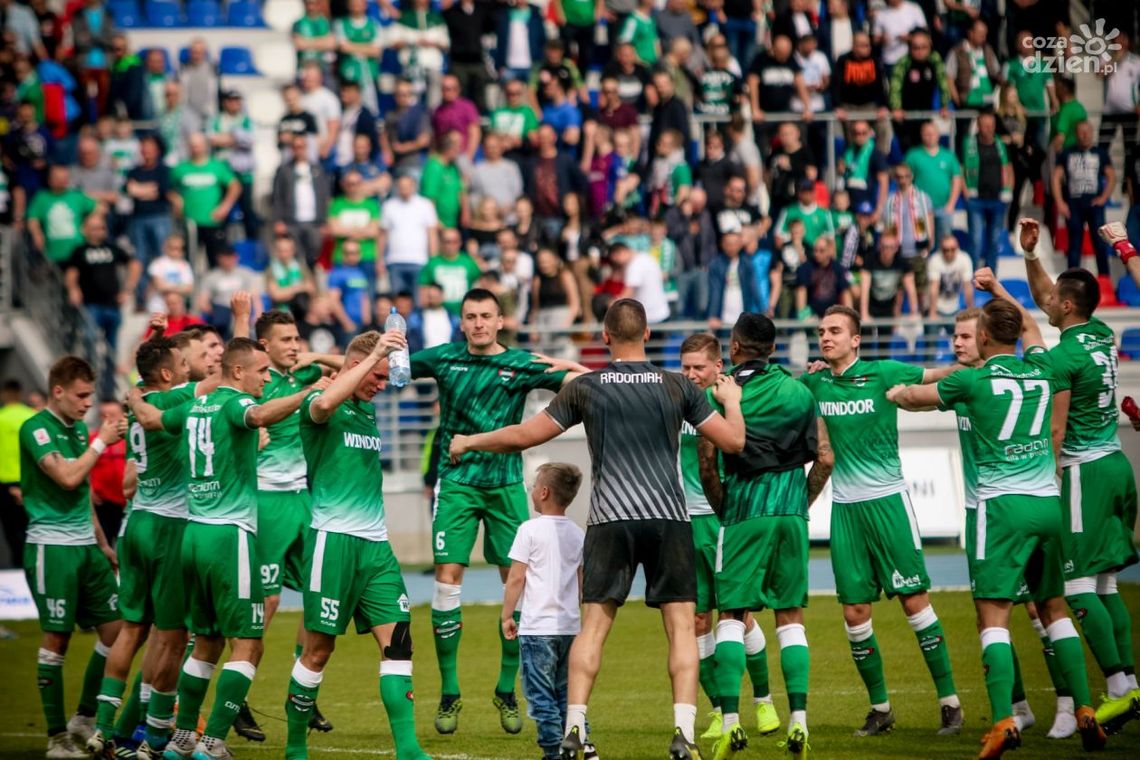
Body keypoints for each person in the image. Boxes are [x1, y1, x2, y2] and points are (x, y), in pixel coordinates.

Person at [448, 298, 746, 759]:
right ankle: (684, 735)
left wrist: (470, 440)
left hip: (609, 518)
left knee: (593, 628)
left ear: (605, 337)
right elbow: (735, 442)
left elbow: (526, 435)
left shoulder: (589, 387)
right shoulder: (676, 387)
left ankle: (573, 728)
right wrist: (732, 402)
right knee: (682, 628)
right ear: (648, 334)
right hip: (669, 517)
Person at [888, 295, 1107, 757]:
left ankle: (1004, 718)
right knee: (1054, 609)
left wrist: (891, 392)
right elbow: (1032, 330)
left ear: (984, 337)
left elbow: (915, 397)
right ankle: (1086, 706)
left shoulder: (973, 379)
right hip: (1048, 501)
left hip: (999, 507)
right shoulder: (1043, 367)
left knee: (993, 616)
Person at [128, 338, 322, 760]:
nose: (267, 378)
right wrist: (306, 393)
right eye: (262, 371)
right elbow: (258, 414)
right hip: (229, 536)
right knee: (249, 643)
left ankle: (180, 739)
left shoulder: (195, 407)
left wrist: (132, 395)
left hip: (193, 534)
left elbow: (151, 418)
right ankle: (212, 741)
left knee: (207, 642)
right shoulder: (234, 404)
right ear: (237, 372)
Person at [408, 288, 588, 735]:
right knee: (448, 580)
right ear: (462, 322)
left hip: (506, 484)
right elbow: (384, 371)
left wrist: (566, 368)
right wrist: (376, 349)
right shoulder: (443, 359)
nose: (479, 324)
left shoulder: (523, 364)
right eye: (470, 317)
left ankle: (506, 690)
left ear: (500, 321)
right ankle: (450, 693)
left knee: (517, 583)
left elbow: (582, 385)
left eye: (486, 316)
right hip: (458, 485)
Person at [800, 305, 963, 736]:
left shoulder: (886, 372)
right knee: (854, 611)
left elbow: (939, 376)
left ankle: (949, 702)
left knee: (914, 601)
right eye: (821, 331)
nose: (826, 337)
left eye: (835, 330)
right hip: (845, 510)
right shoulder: (814, 382)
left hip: (888, 502)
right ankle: (881, 709)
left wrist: (977, 362)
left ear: (856, 339)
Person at [283, 328, 431, 760]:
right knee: (319, 649)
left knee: (399, 642)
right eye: (378, 377)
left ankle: (408, 749)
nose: (382, 386)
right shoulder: (318, 403)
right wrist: (373, 356)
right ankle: (295, 748)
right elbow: (327, 401)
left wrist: (375, 359)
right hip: (333, 542)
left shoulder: (366, 410)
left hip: (376, 546)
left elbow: (352, 371)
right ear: (357, 367)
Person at [1017, 218, 1140, 730]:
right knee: (1108, 584)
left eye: (1053, 302)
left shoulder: (1062, 357)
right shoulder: (1098, 332)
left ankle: (1117, 687)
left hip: (1084, 471)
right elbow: (1051, 298)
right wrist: (1030, 256)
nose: (1046, 301)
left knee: (1076, 584)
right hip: (1118, 463)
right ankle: (1128, 681)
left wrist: (1045, 479)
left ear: (1065, 308)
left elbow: (1055, 430)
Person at [698, 313, 831, 760]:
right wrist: (800, 505)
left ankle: (732, 723)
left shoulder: (722, 393)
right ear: (773, 349)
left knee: (732, 615)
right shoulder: (800, 391)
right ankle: (799, 723)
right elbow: (826, 459)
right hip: (791, 515)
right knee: (790, 617)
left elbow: (706, 465)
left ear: (734, 347)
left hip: (744, 514)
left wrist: (726, 511)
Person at [87, 337, 221, 758]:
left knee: (131, 629)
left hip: (136, 523)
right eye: (184, 361)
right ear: (166, 374)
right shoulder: (176, 396)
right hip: (168, 525)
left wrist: (133, 384)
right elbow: (224, 376)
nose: (190, 367)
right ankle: (158, 735)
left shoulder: (138, 400)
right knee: (172, 636)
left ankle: (102, 730)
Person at [678, 334, 788, 744]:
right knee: (697, 619)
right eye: (685, 366)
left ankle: (763, 699)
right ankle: (721, 711)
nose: (690, 374)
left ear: (717, 366)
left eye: (698, 367)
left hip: (725, 520)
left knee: (738, 617)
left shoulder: (730, 401)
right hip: (684, 523)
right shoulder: (675, 402)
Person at [239, 311, 344, 739]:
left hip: (303, 498)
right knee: (266, 603)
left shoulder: (305, 370)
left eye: (297, 336)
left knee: (318, 598)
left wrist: (313, 355)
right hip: (266, 499)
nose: (294, 344)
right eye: (286, 338)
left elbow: (352, 364)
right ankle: (238, 694)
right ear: (263, 346)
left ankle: (302, 693)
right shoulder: (261, 385)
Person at [19, 356, 123, 758]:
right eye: (81, 396)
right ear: (58, 391)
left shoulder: (78, 429)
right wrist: (101, 442)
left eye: (90, 396)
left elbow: (82, 494)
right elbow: (66, 477)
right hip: (51, 548)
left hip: (85, 546)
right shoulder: (36, 429)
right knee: (56, 641)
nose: (87, 404)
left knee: (116, 633)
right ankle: (56, 737)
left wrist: (101, 543)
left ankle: (84, 716)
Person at [501, 462, 586, 760]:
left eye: (535, 486)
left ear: (545, 492)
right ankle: (580, 743)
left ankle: (553, 752)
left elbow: (516, 578)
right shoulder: (577, 533)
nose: (532, 490)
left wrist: (507, 615)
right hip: (569, 629)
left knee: (541, 696)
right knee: (567, 693)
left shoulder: (529, 530)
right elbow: (582, 582)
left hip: (538, 629)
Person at [64, 214, 139, 399]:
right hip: (91, 305)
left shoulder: (112, 248)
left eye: (102, 227)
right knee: (89, 338)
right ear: (86, 230)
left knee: (111, 348)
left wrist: (128, 289)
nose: (99, 231)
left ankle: (107, 387)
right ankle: (91, 372)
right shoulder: (80, 250)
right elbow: (71, 273)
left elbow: (134, 264)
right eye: (95, 227)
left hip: (112, 305)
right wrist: (73, 290)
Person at [1051, 121, 1115, 276]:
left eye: (1088, 131)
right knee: (1074, 245)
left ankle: (1104, 279)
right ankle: (1072, 280)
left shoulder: (1100, 153)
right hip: (1073, 204)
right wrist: (1060, 202)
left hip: (1094, 204)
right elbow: (1055, 178)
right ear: (1076, 134)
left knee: (1100, 243)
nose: (1085, 135)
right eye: (1081, 132)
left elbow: (1111, 176)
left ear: (1092, 133)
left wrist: (1103, 198)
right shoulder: (1067, 153)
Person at [169, 133, 241, 269]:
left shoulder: (217, 166)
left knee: (215, 261)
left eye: (199, 146)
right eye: (193, 146)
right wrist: (175, 199)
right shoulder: (180, 169)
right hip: (190, 223)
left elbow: (235, 186)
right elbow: (169, 188)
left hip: (212, 221)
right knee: (188, 261)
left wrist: (225, 207)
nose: (196, 149)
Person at [962, 111, 1013, 271]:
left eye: (991, 126)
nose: (988, 129)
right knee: (976, 239)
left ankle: (991, 274)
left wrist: (1008, 190)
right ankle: (972, 275)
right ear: (978, 126)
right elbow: (961, 170)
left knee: (994, 239)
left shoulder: (1001, 145)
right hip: (976, 199)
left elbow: (1008, 169)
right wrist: (966, 192)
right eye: (985, 126)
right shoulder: (968, 143)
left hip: (997, 199)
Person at [380, 173, 440, 300]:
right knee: (397, 302)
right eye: (401, 186)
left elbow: (432, 234)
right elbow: (383, 235)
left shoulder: (425, 205)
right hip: (394, 261)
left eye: (407, 186)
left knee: (419, 301)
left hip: (420, 261)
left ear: (414, 186)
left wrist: (433, 260)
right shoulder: (389, 206)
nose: (404, 189)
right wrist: (379, 259)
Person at [905, 121, 964, 246]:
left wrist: (951, 204)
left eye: (933, 133)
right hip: (921, 209)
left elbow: (957, 180)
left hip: (944, 207)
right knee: (923, 244)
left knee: (944, 243)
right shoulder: (913, 155)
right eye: (927, 134)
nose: (930, 136)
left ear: (938, 135)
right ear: (921, 135)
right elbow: (904, 179)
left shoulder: (948, 156)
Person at [26, 165, 99, 265]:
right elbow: (32, 218)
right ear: (49, 179)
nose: (62, 181)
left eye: (64, 178)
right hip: (52, 250)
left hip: (77, 250)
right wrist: (36, 233)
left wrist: (88, 224)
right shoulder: (41, 197)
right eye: (58, 178)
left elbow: (99, 207)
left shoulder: (76, 196)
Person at [0, 380, 35, 568]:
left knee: (12, 533)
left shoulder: (1, 418)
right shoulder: (31, 417)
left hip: (5, 483)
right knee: (32, 531)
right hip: (31, 482)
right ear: (20, 394)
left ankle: (18, 571)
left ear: (4, 394)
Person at [88, 400, 127, 547]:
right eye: (104, 415)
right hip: (102, 502)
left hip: (126, 502)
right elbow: (83, 466)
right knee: (103, 544)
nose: (108, 419)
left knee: (125, 546)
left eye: (112, 415)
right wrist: (89, 489)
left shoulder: (130, 438)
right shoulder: (93, 439)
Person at [926, 234, 974, 322]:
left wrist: (970, 311)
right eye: (946, 250)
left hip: (956, 307)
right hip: (937, 307)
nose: (949, 253)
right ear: (941, 250)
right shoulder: (935, 260)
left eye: (952, 249)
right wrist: (932, 312)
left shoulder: (964, 259)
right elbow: (934, 287)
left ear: (957, 248)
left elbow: (968, 287)